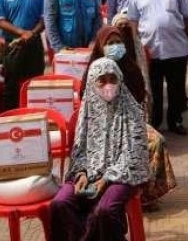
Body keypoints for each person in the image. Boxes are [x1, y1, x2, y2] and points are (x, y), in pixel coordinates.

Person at [51, 58, 149, 241]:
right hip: (88, 174)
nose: (108, 85)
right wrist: (81, 174)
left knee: (104, 210)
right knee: (60, 203)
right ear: (91, 82)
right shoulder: (86, 111)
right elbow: (79, 150)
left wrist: (105, 179)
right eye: (101, 80)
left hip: (121, 175)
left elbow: (133, 154)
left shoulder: (132, 110)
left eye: (113, 79)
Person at [86, 26, 177, 207]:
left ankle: (147, 194)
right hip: (101, 126)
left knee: (155, 141)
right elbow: (87, 103)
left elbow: (139, 98)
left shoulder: (130, 67)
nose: (115, 46)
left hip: (130, 121)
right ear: (101, 46)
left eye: (118, 42)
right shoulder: (94, 70)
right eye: (110, 43)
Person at [127, 0, 188, 135]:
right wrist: (135, 45)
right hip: (150, 51)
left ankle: (175, 121)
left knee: (176, 90)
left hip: (176, 48)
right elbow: (132, 19)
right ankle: (155, 123)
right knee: (154, 91)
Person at [0, 0, 45, 110]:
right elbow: (0, 21)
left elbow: (44, 19)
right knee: (11, 86)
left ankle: (34, 116)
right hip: (13, 46)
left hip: (34, 44)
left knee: (35, 84)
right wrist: (21, 33)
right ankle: (12, 118)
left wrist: (32, 33)